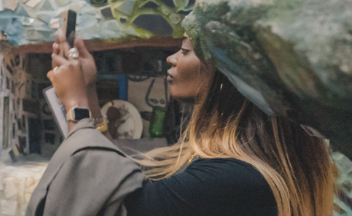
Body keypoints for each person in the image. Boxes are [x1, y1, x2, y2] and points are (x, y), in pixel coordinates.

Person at [26, 31, 335, 216]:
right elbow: (107, 181)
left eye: (186, 50)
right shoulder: (243, 167)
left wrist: (76, 104)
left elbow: (111, 206)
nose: (171, 58)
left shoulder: (234, 178)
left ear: (227, 76)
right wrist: (89, 92)